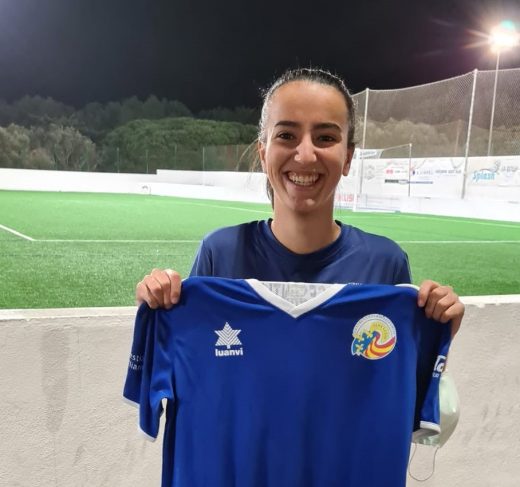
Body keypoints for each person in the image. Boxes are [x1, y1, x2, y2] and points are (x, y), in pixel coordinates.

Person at [135, 67, 464, 335]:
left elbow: (401, 382)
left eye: (325, 138)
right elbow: (192, 364)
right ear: (264, 154)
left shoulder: (385, 262)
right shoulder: (219, 253)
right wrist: (157, 308)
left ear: (348, 157)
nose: (305, 155)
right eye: (287, 135)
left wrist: (439, 331)